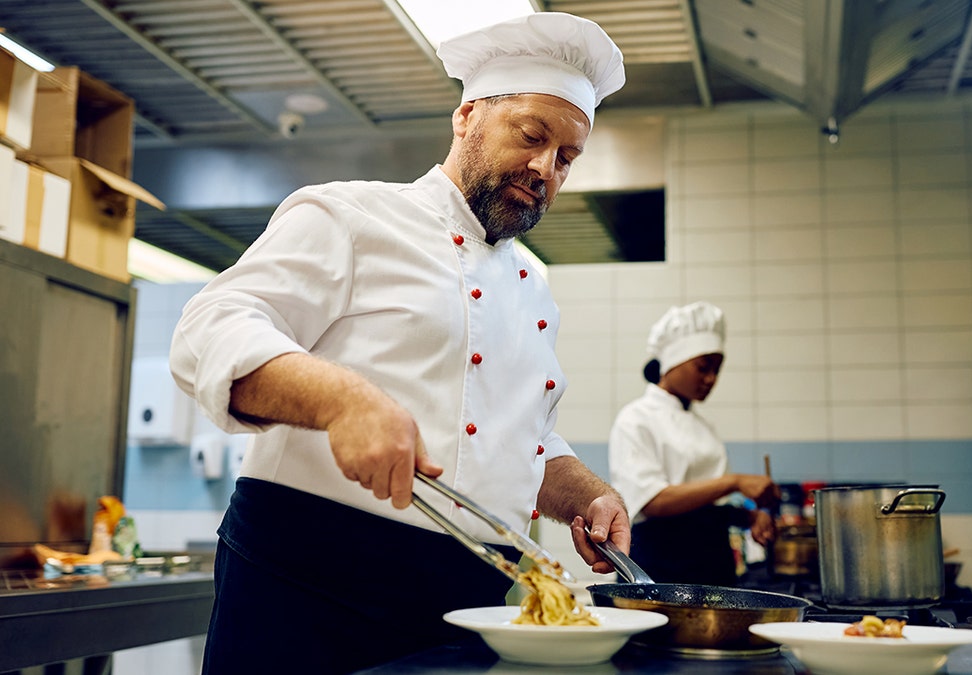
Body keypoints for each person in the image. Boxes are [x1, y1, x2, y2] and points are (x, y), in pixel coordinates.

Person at [168, 13, 630, 675]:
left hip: (467, 603)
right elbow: (208, 327)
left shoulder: (534, 285)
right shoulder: (352, 215)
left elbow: (515, 440)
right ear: (467, 116)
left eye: (566, 157)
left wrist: (587, 496)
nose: (544, 166)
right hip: (310, 585)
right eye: (531, 134)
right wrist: (343, 401)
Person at [607, 302, 779, 587]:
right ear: (672, 363)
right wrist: (734, 482)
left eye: (717, 370)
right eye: (703, 367)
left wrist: (750, 516)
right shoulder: (636, 418)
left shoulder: (701, 426)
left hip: (711, 568)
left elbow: (706, 508)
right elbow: (653, 502)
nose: (711, 379)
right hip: (660, 572)